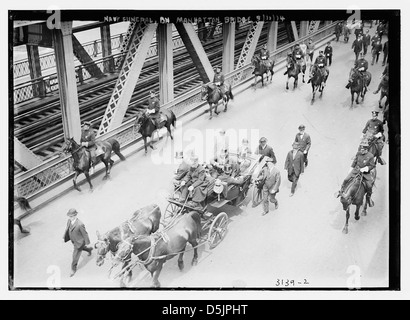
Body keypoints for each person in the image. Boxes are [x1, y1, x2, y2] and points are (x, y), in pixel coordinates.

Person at [337, 140, 376, 207]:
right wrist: (351, 168)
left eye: (363, 149)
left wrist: (366, 168)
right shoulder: (358, 153)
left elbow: (372, 165)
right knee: (346, 180)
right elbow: (354, 162)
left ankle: (368, 198)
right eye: (361, 148)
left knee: (369, 185)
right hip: (356, 170)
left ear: (366, 149)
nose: (362, 150)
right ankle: (341, 191)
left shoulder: (370, 156)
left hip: (365, 173)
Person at [63, 208, 93, 277]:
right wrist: (63, 237)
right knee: (82, 249)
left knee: (75, 256)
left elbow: (85, 234)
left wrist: (87, 242)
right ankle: (89, 249)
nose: (70, 218)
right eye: (69, 216)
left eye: (71, 216)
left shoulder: (80, 224)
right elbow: (67, 229)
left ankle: (73, 269)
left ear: (75, 215)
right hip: (74, 241)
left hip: (79, 243)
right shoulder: (69, 221)